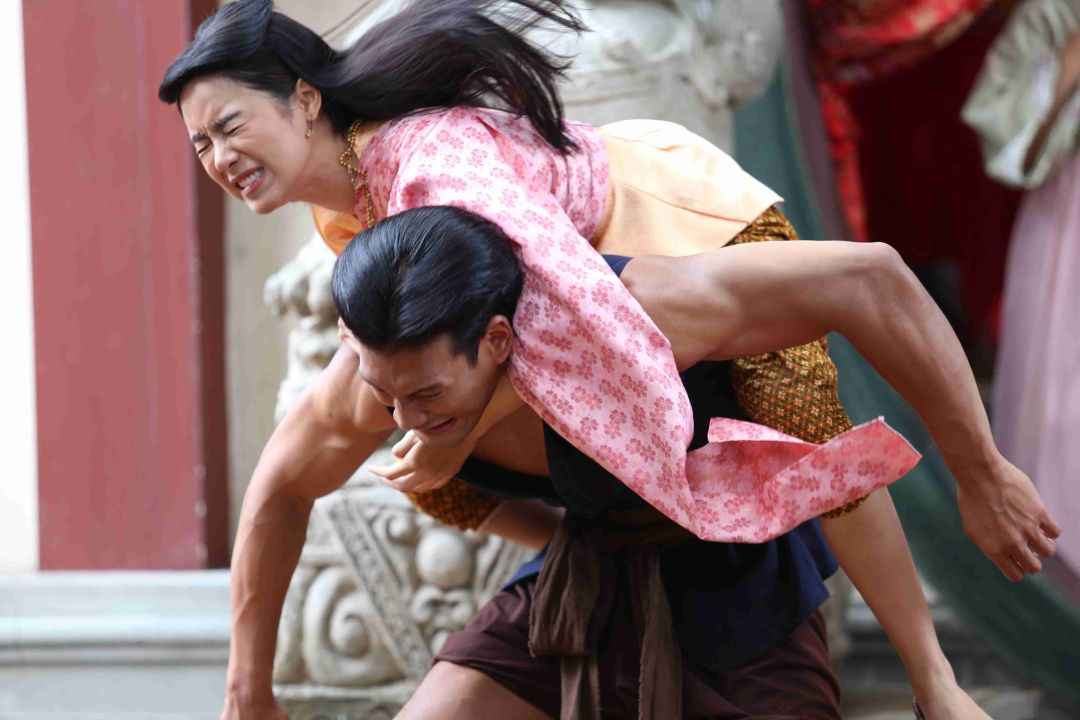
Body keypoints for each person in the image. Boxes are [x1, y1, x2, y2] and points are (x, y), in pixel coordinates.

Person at [155, 1, 1057, 717]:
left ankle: (934, 678)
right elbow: (283, 484)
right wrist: (246, 692)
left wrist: (980, 474)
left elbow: (573, 298)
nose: (219, 157)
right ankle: (587, 540)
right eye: (200, 144)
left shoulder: (449, 184)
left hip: (665, 223)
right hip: (533, 301)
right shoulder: (361, 222)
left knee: (795, 410)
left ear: (305, 100)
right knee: (428, 464)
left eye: (230, 125)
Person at [328, 205, 1000, 719]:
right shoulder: (380, 382)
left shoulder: (645, 313)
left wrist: (982, 476)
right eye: (387, 394)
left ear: (498, 341)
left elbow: (870, 281)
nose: (405, 418)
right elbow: (286, 486)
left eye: (427, 394)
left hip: (736, 583)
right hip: (585, 576)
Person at [962, 0, 1080, 573]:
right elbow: (1001, 111)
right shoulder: (1055, 12)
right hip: (1068, 213)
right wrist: (1069, 63)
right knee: (1057, 400)